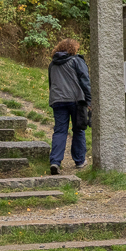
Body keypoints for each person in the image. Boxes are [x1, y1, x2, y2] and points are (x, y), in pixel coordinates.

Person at [47, 38, 92, 174]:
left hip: (57, 100)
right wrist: (89, 100)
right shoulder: (76, 61)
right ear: (74, 48)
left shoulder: (52, 64)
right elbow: (85, 80)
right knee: (78, 129)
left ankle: (55, 161)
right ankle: (79, 161)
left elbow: (51, 83)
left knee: (60, 131)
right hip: (75, 100)